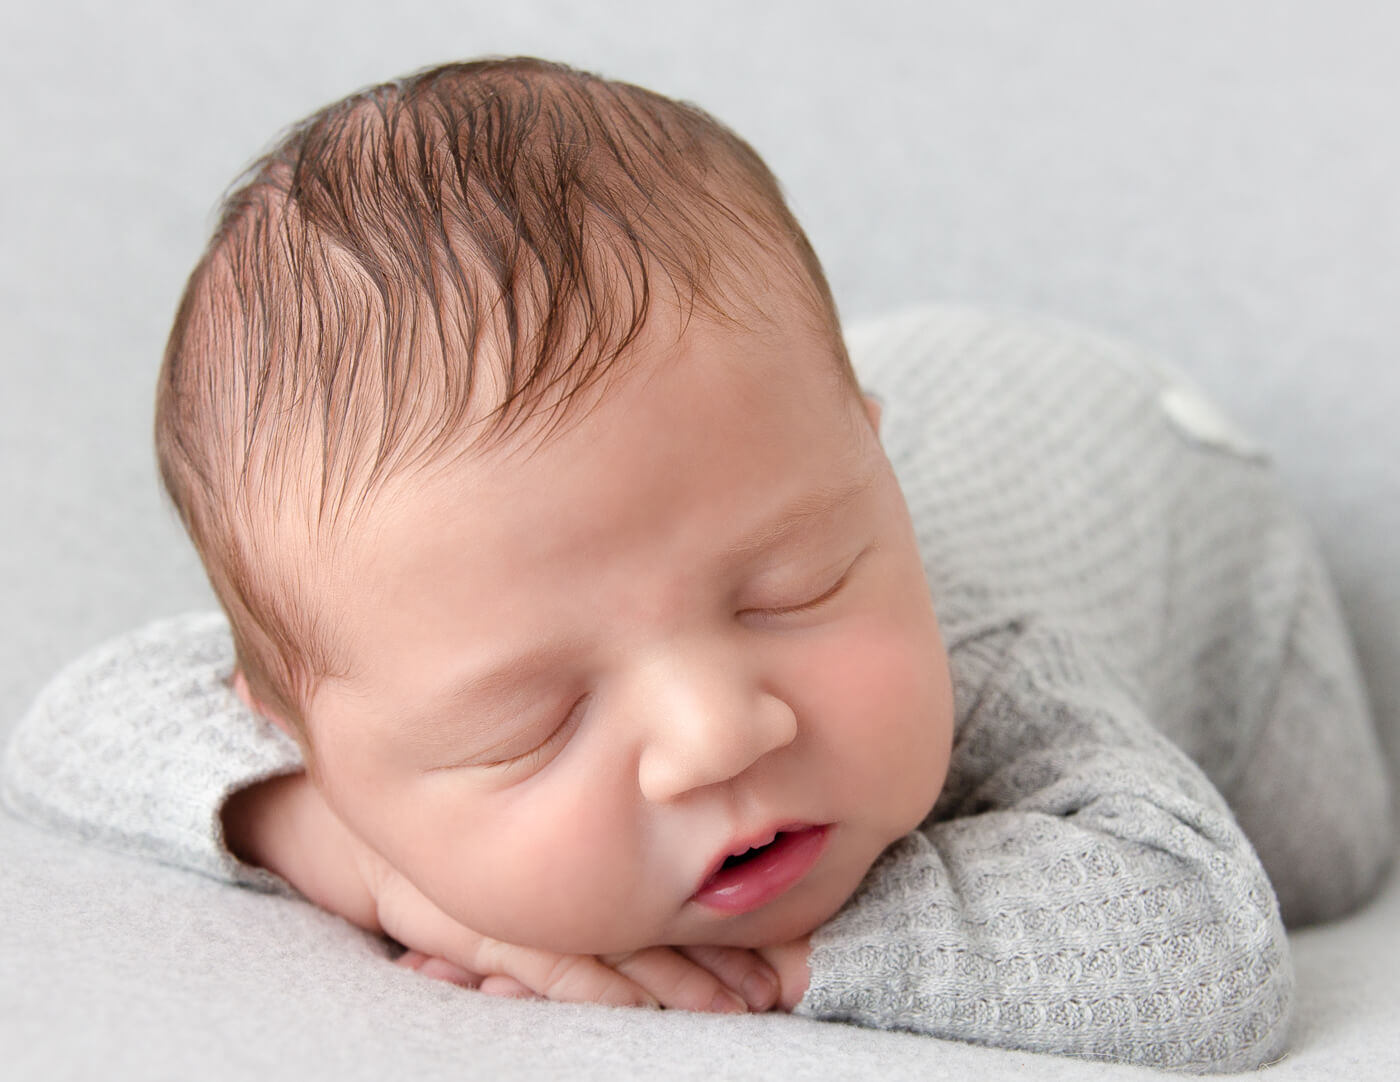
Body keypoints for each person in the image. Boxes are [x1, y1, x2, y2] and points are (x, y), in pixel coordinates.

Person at [3, 57, 1393, 1072]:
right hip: (783, 430)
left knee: (1330, 850)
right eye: (532, 717)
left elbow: (1211, 949)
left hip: (1195, 509)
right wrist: (364, 855)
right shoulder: (402, 637)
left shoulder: (994, 651)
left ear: (876, 474)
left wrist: (767, 964)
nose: (718, 729)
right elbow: (69, 717)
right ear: (302, 719)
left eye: (790, 590)